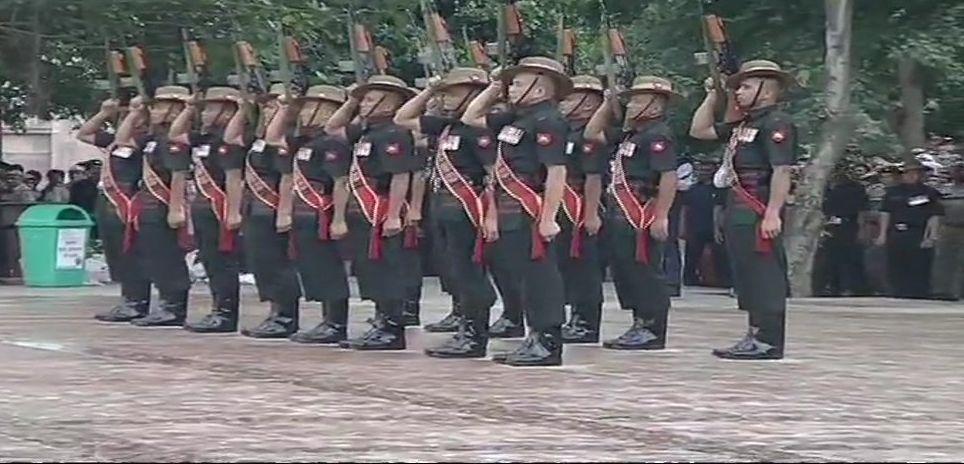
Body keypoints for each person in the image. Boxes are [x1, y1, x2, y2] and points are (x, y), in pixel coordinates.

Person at [462, 56, 571, 366]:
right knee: (523, 276)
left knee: (541, 277)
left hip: (532, 206)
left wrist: (549, 216)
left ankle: (548, 342)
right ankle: (533, 337)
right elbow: (472, 116)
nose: (512, 89)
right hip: (510, 207)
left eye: (519, 83)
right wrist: (496, 84)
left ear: (540, 89)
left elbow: (556, 170)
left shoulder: (548, 120)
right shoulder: (514, 120)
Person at [690, 60, 798, 360]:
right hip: (737, 207)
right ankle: (754, 333)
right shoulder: (744, 124)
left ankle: (768, 340)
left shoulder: (777, 123)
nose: (738, 91)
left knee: (765, 274)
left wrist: (773, 213)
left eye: (746, 86)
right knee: (747, 274)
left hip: (759, 207)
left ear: (767, 91)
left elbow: (781, 170)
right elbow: (699, 130)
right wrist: (713, 96)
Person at [395, 67, 498, 357]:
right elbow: (402, 118)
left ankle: (475, 336)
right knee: (455, 271)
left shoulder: (479, 132)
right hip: (442, 208)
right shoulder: (446, 127)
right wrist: (429, 90)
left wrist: (490, 216)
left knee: (469, 273)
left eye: (453, 93)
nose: (446, 99)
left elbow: (493, 176)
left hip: (467, 209)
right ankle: (465, 328)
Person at [585, 75, 681, 351]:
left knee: (645, 270)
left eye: (637, 100)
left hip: (642, 208)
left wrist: (662, 214)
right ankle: (639, 322)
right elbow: (592, 133)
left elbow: (668, 176)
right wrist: (607, 104)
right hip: (621, 210)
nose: (630, 105)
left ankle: (652, 328)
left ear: (654, 107)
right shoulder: (632, 135)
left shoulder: (658, 135)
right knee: (626, 269)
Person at [325, 75, 421, 350]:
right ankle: (381, 320)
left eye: (369, 99)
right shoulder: (367, 132)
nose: (363, 104)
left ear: (388, 102)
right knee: (370, 270)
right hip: (363, 210)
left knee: (387, 269)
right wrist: (353, 100)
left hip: (380, 208)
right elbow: (332, 127)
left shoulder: (394, 133)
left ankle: (392, 328)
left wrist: (393, 215)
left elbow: (401, 176)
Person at [267, 84, 352, 344]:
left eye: (316, 107)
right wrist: (284, 109)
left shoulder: (333, 144)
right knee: (313, 268)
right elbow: (272, 137)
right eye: (305, 107)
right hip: (303, 213)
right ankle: (326, 320)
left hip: (321, 214)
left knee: (329, 269)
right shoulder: (303, 141)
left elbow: (341, 182)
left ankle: (336, 323)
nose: (306, 113)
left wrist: (338, 219)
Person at [168, 86, 247, 333]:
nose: (204, 114)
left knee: (223, 264)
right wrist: (189, 107)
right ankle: (216, 308)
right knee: (211, 262)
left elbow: (234, 179)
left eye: (210, 108)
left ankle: (226, 314)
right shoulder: (202, 139)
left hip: (220, 208)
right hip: (202, 208)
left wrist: (233, 212)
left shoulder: (231, 141)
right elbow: (175, 133)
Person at [115, 88, 194, 327]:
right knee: (154, 256)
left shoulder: (175, 139)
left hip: (164, 204)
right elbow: (122, 140)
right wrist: (134, 113)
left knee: (168, 257)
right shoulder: (153, 138)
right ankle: (164, 304)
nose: (154, 110)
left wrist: (175, 207)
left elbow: (178, 174)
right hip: (148, 204)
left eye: (160, 106)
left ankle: (174, 307)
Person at [75, 98, 153, 322]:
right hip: (108, 199)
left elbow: (123, 138)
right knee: (116, 253)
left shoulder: (142, 142)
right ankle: (127, 299)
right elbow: (84, 134)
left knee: (131, 254)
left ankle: (137, 302)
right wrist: (103, 113)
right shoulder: (115, 143)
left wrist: (135, 113)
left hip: (127, 201)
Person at [239, 83, 304, 338]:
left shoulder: (284, 140)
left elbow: (288, 178)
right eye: (266, 105)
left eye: (275, 105)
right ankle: (275, 312)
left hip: (273, 207)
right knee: (261, 262)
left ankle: (286, 316)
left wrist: (284, 212)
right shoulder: (259, 140)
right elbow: (232, 138)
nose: (268, 110)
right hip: (255, 207)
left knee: (278, 264)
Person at [552, 75, 607, 344]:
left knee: (583, 267)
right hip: (564, 203)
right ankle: (573, 316)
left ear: (589, 104)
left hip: (581, 205)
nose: (564, 102)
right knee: (566, 265)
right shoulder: (566, 131)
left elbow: (593, 177)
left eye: (572, 97)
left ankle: (586, 322)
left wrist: (591, 213)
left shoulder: (589, 136)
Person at [876, 160, 944, 299]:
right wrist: (882, 234)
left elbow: (934, 215)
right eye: (908, 173)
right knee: (896, 262)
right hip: (897, 232)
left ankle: (918, 292)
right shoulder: (893, 193)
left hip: (918, 232)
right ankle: (898, 291)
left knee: (919, 263)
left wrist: (932, 236)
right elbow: (885, 213)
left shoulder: (929, 193)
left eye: (916, 173)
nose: (912, 176)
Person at [819, 168, 869, 296]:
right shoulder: (827, 190)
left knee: (849, 257)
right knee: (832, 257)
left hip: (849, 224)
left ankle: (850, 287)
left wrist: (862, 228)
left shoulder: (856, 190)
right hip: (832, 225)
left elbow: (862, 211)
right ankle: (832, 285)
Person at [682, 161, 729, 287]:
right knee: (692, 255)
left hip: (714, 227)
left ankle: (724, 280)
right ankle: (689, 279)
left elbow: (719, 209)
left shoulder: (719, 189)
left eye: (707, 169)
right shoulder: (693, 189)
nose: (703, 172)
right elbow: (685, 209)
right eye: (701, 169)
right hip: (695, 227)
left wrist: (718, 228)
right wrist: (683, 228)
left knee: (721, 255)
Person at [931, 163, 964, 301]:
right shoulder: (944, 190)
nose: (959, 173)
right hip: (947, 227)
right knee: (943, 259)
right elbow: (937, 211)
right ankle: (941, 290)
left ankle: (958, 291)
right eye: (956, 170)